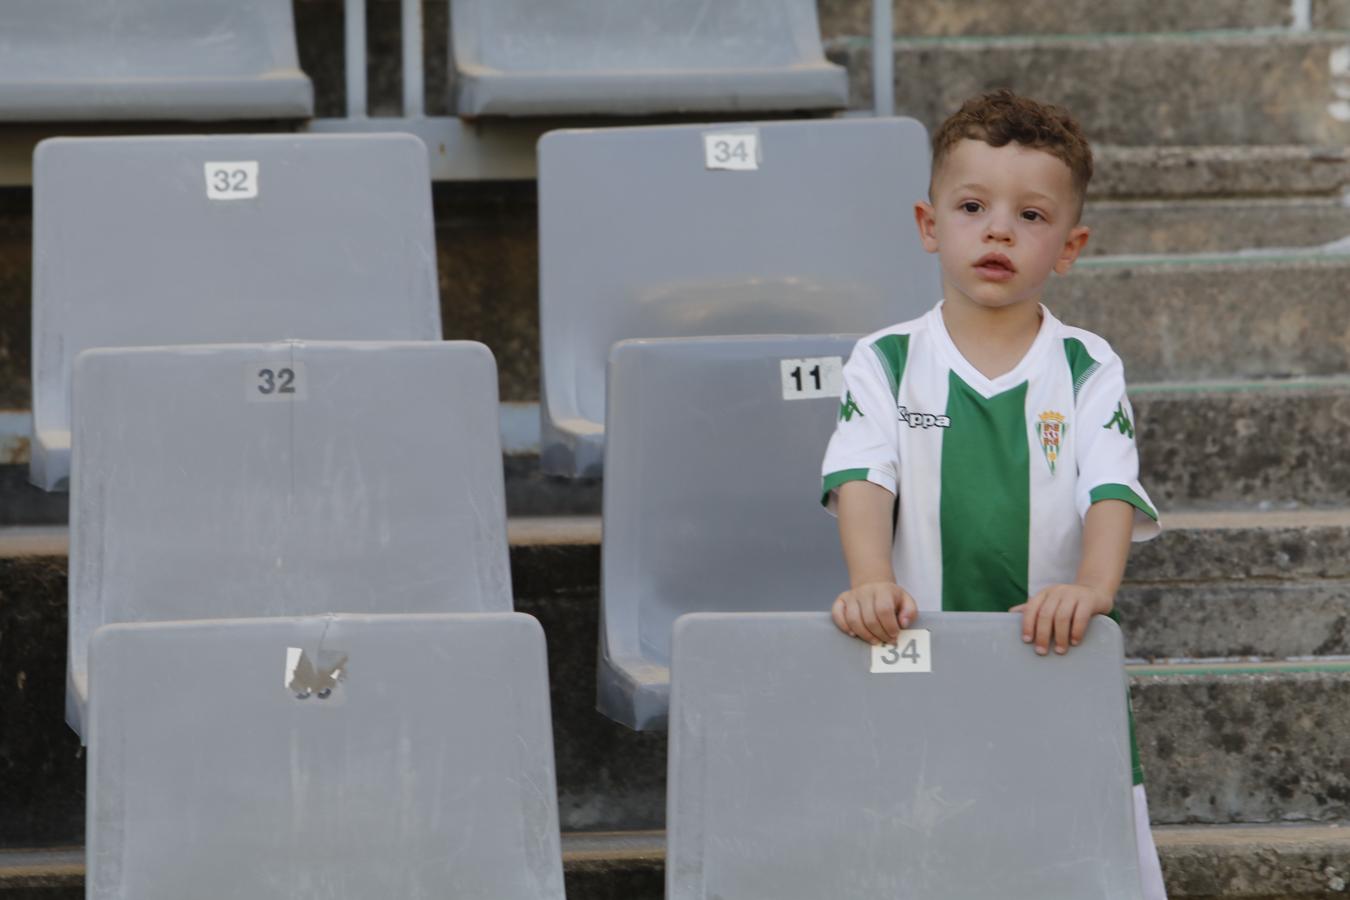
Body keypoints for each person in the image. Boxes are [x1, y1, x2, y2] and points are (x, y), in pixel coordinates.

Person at [819, 89, 1167, 898]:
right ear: (929, 225)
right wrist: (871, 581)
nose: (1000, 229)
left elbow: (1111, 485)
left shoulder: (1087, 365)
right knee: (923, 845)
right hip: (918, 649)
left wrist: (1091, 590)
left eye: (1032, 216)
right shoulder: (885, 359)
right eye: (973, 206)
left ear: (1071, 245)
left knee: (1083, 849)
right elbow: (861, 475)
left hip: (1053, 649)